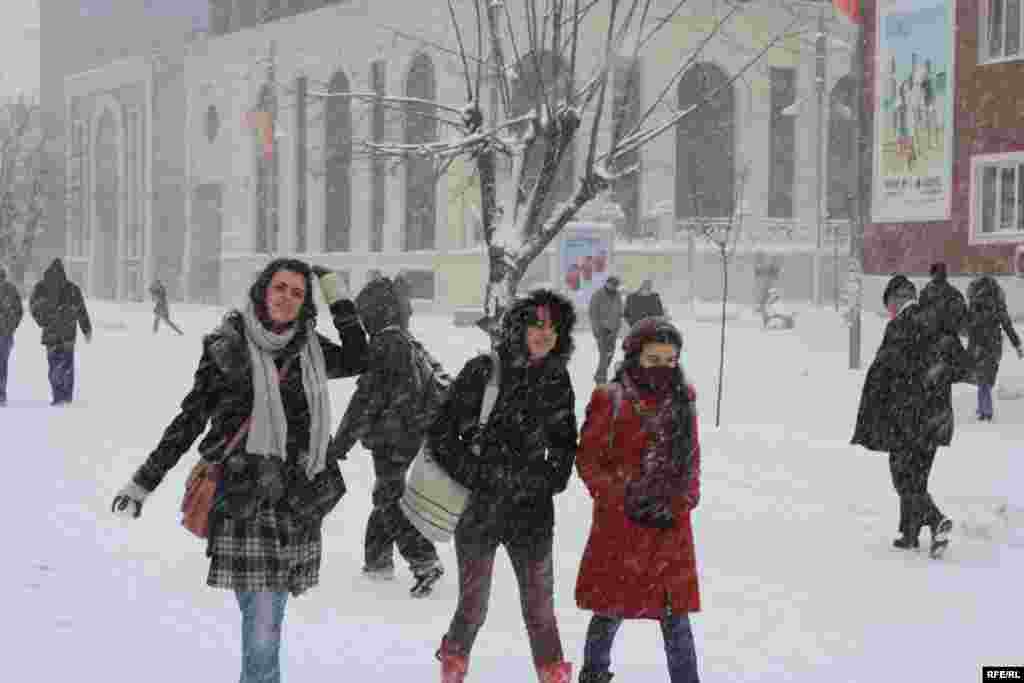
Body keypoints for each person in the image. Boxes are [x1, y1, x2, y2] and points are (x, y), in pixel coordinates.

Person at [110, 259, 368, 683]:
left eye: (298, 293)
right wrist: (144, 481)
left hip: (295, 502)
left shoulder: (311, 349)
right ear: (263, 290)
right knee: (265, 620)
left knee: (267, 617)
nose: (286, 298)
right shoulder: (227, 347)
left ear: (305, 304)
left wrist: (337, 295)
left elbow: (361, 357)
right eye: (280, 288)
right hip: (245, 501)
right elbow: (190, 420)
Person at [429, 289, 579, 683]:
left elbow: (565, 442)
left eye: (554, 327)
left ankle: (552, 673)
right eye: (538, 324)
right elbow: (442, 436)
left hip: (532, 512)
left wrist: (550, 479)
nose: (546, 334)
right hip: (480, 510)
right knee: (474, 605)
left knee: (540, 609)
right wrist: (480, 476)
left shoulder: (557, 378)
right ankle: (453, 665)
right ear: (520, 327)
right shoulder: (483, 370)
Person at [575, 317, 702, 683]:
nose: (662, 368)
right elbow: (588, 460)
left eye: (670, 360)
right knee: (609, 609)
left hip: (668, 527)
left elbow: (692, 458)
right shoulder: (609, 399)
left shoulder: (684, 398)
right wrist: (623, 496)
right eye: (653, 359)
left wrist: (682, 501)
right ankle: (593, 676)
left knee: (675, 616)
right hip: (621, 526)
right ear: (634, 357)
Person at [330, 275, 446, 596]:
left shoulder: (386, 343)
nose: (363, 321)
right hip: (406, 433)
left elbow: (366, 398)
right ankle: (377, 562)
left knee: (388, 498)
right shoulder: (403, 340)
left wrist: (342, 441)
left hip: (392, 436)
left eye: (364, 313)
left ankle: (423, 560)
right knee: (387, 493)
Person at [851, 275, 968, 558]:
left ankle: (936, 519)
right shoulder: (938, 321)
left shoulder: (901, 326)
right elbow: (961, 365)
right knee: (918, 477)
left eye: (889, 305)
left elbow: (882, 374)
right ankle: (910, 534)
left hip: (909, 417)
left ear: (896, 300)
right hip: (936, 417)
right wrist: (934, 376)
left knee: (903, 478)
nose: (890, 311)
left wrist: (876, 412)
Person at [29, 258, 92, 405]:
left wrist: (42, 321)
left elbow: (33, 307)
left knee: (53, 365)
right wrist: (87, 329)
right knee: (67, 365)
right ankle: (66, 396)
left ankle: (57, 395)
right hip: (68, 334)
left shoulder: (41, 287)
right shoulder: (72, 288)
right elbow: (81, 310)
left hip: (50, 334)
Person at [965, 275, 1023, 421]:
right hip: (993, 343)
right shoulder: (997, 302)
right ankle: (986, 410)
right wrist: (1017, 344)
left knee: (981, 379)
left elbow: (967, 325)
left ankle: (983, 409)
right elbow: (1006, 324)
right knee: (987, 378)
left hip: (977, 344)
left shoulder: (973, 302)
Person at [589, 276, 623, 384]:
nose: (614, 287)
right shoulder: (598, 295)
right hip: (601, 329)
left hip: (613, 329)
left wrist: (618, 326)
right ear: (607, 283)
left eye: (616, 285)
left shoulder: (617, 295)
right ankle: (601, 378)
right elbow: (593, 313)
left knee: (610, 354)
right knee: (604, 354)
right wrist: (596, 329)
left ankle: (599, 374)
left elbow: (619, 311)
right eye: (612, 284)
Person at [0, 264, 24, 406]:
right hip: (6, 334)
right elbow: (19, 311)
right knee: (3, 364)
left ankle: (1, 395)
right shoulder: (12, 289)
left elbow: (19, 311)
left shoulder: (11, 290)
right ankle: (1, 394)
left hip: (5, 334)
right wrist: (11, 327)